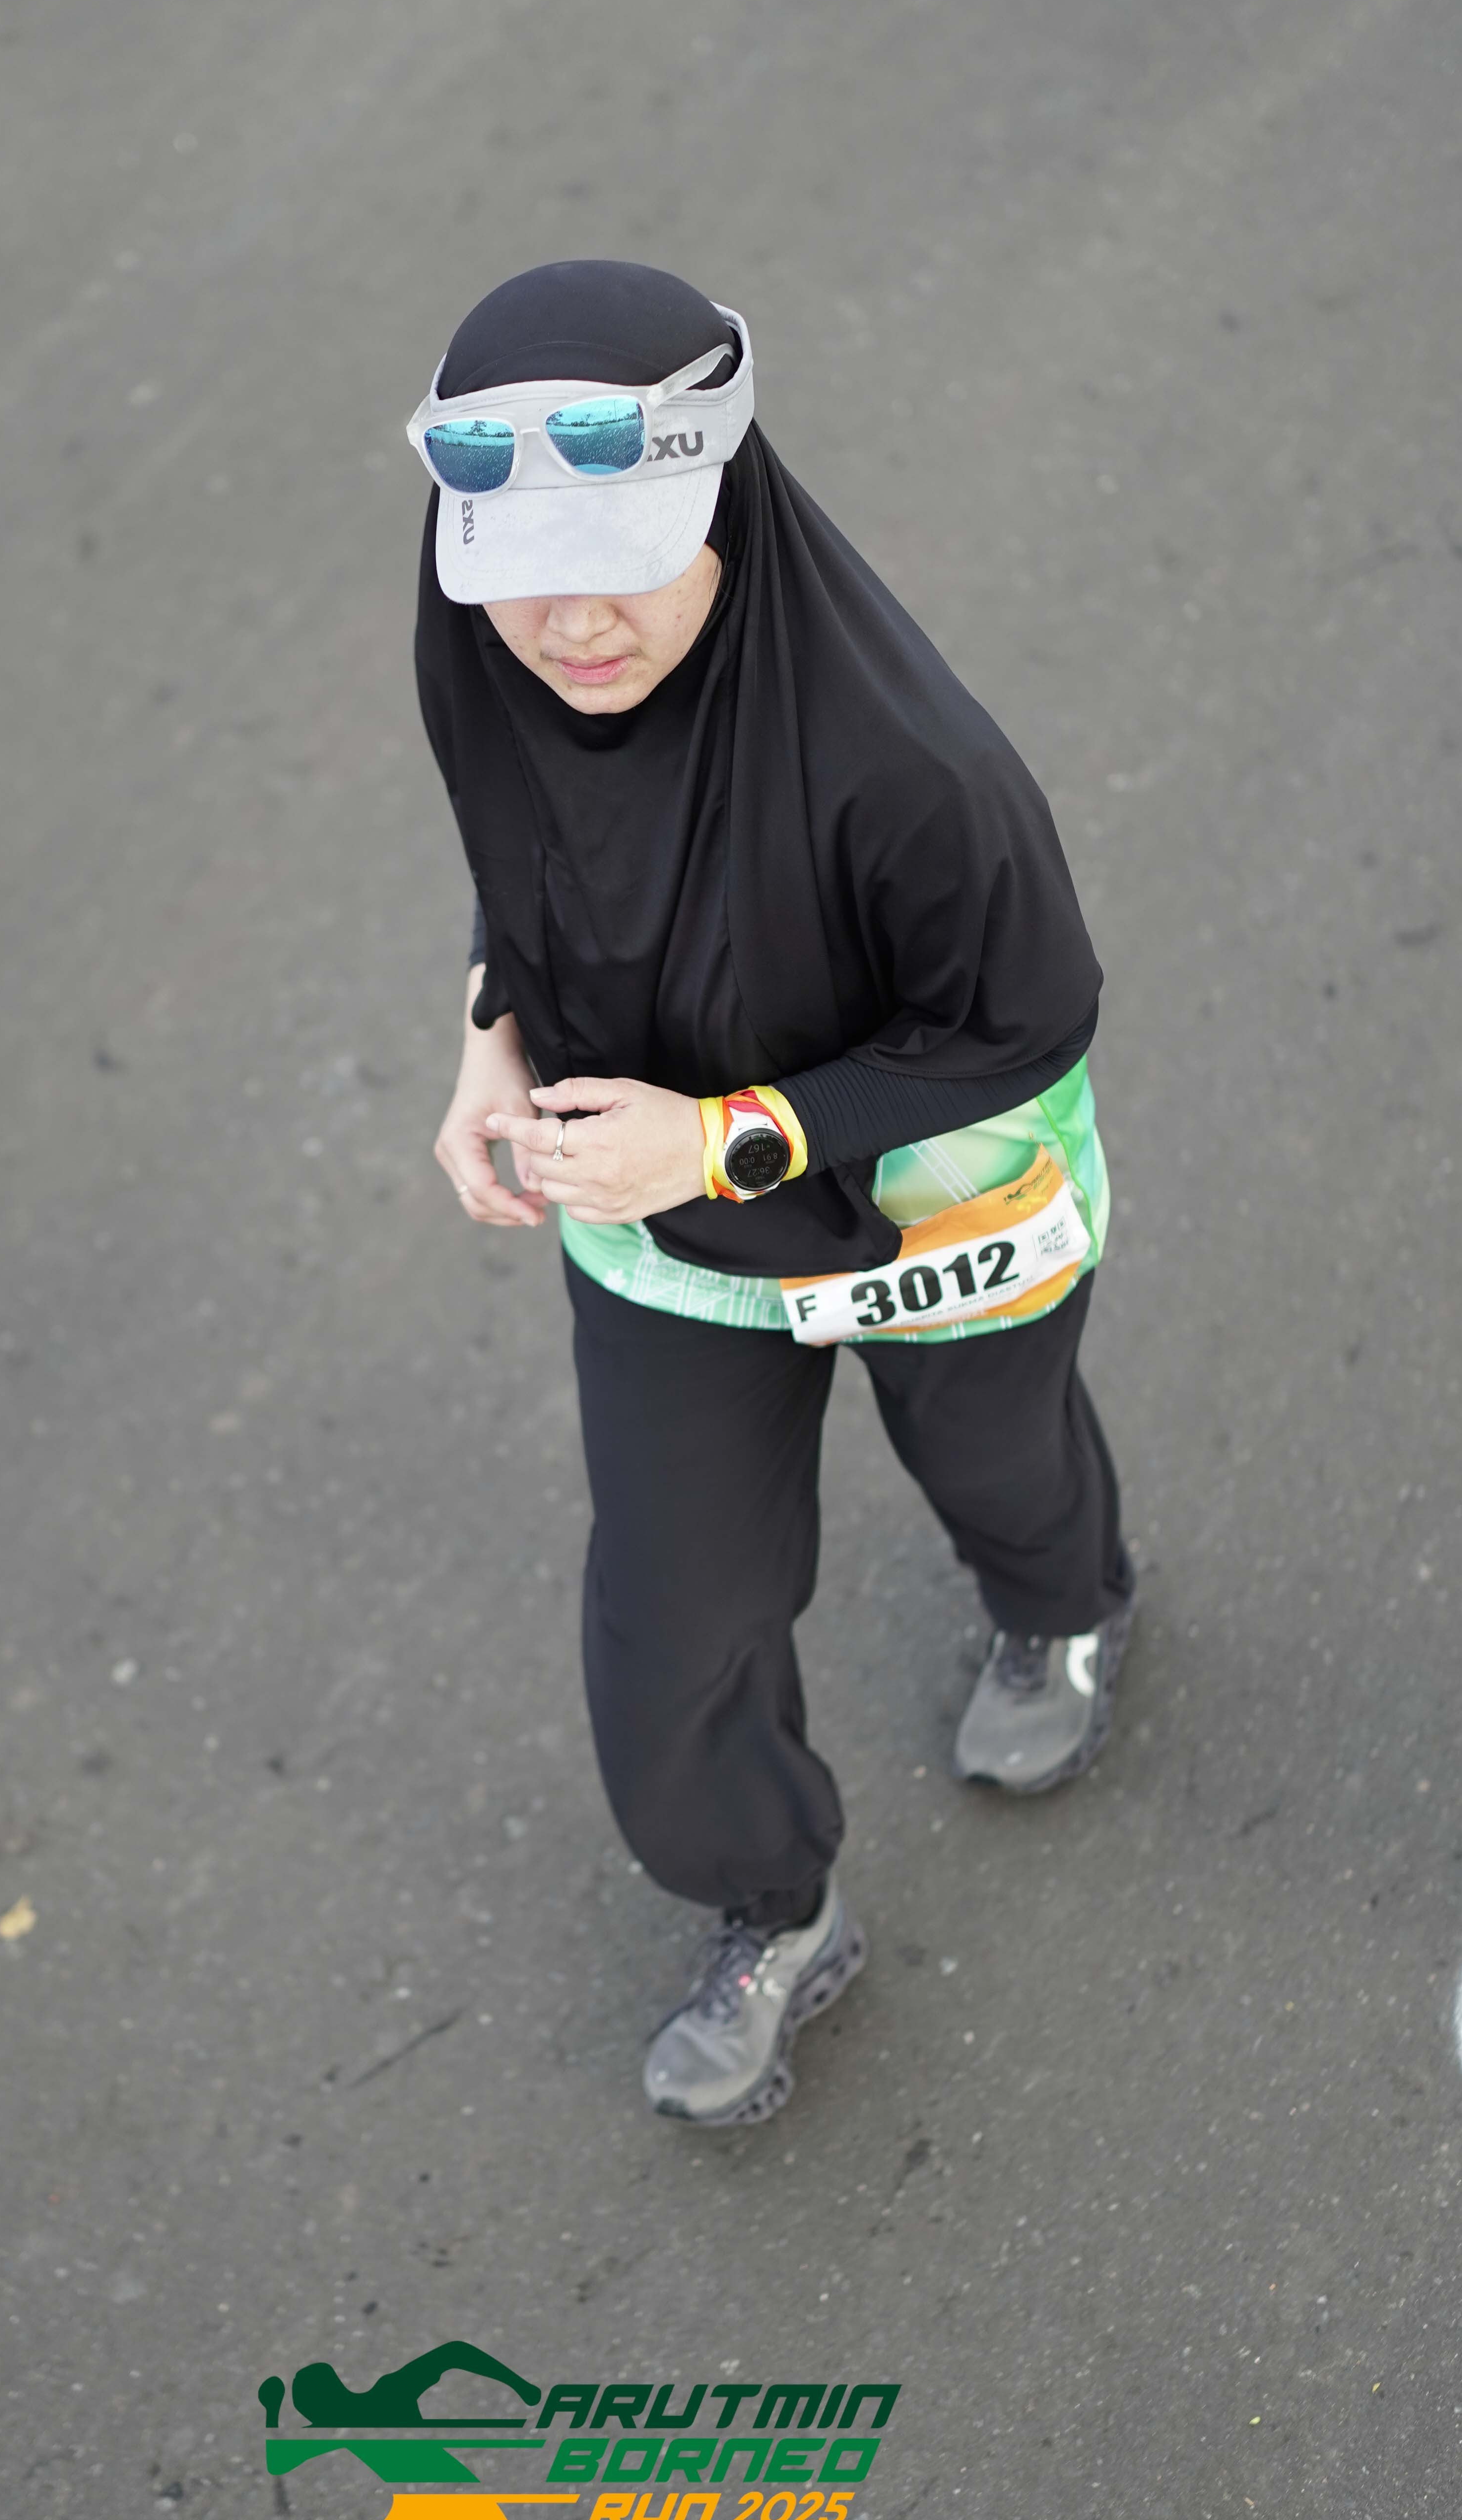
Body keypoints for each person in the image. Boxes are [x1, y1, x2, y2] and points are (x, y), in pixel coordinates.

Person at [412, 261, 1134, 2128]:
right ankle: (773, 1907)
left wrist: (721, 1139)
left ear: (724, 503)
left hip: (941, 1194)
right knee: (669, 1624)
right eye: (521, 571)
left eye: (622, 558)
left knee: (997, 1458)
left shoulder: (920, 775)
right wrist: (493, 1034)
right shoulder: (484, 649)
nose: (571, 623)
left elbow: (1025, 1028)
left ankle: (1060, 1603)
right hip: (664, 1233)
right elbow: (535, 856)